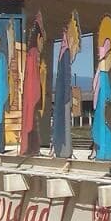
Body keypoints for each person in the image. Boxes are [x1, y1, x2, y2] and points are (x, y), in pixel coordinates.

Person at [50, 12, 80, 158]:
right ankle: (59, 147)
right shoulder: (64, 57)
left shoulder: (65, 56)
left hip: (63, 95)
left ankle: (61, 147)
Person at [90, 15, 111, 162]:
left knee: (104, 122)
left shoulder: (107, 70)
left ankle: (105, 150)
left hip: (104, 95)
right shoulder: (101, 69)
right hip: (100, 96)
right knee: (98, 124)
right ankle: (97, 149)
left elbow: (110, 80)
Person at [19, 12, 46, 155]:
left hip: (30, 97)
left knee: (31, 121)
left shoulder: (31, 54)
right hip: (32, 96)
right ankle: (33, 148)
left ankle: (32, 147)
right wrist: (39, 97)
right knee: (33, 122)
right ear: (38, 38)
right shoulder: (34, 55)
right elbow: (35, 79)